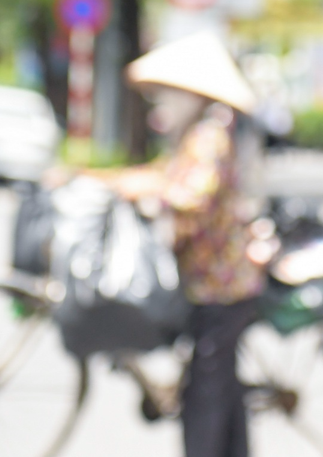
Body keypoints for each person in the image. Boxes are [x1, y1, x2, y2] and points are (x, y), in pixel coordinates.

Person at [105, 31, 264, 457]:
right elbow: (166, 176)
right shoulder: (195, 136)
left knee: (205, 395)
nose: (162, 103)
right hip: (207, 279)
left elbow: (194, 195)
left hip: (222, 284)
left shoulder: (211, 136)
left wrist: (152, 195)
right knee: (220, 386)